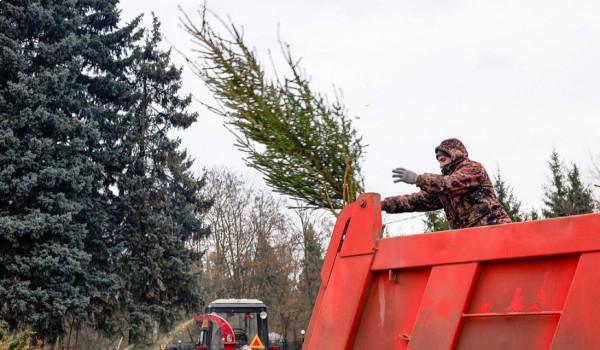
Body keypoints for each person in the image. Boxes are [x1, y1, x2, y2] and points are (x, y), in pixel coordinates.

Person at [381, 138, 511, 229]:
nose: (441, 165)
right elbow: (415, 201)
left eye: (443, 159)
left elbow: (450, 184)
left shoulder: (472, 169)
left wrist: (418, 179)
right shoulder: (442, 190)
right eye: (439, 161)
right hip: (471, 239)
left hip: (496, 230)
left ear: (455, 155)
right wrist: (382, 205)